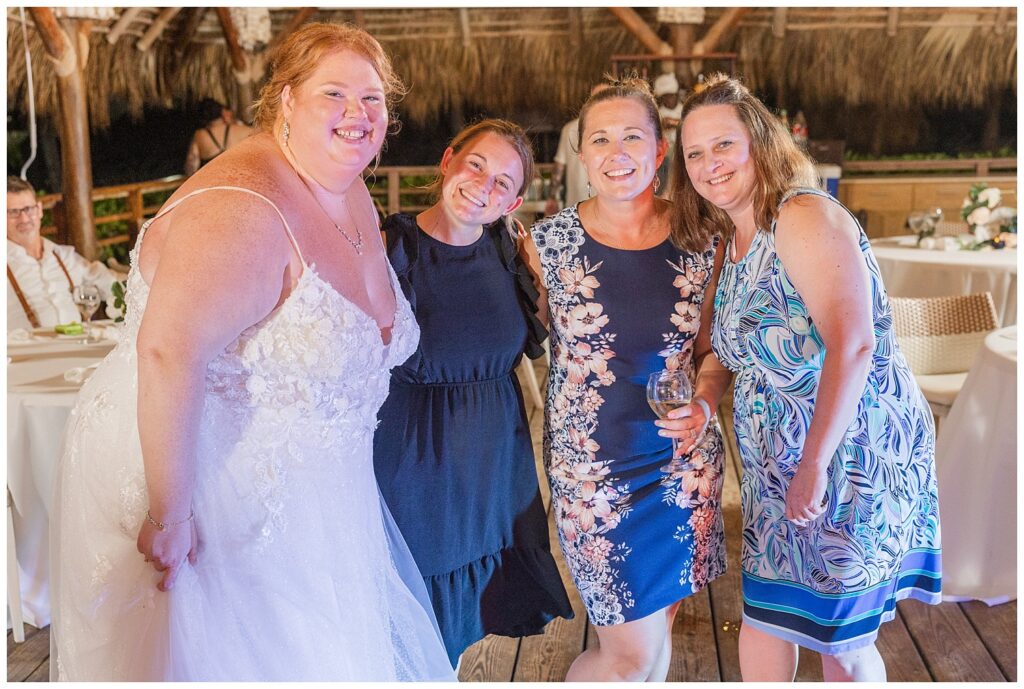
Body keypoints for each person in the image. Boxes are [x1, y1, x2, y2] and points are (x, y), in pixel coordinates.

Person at [51, 22, 455, 681]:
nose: (358, 115)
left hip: (325, 500)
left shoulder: (342, 183)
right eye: (335, 94)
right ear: (286, 100)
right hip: (228, 506)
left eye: (374, 98)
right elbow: (166, 352)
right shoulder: (239, 209)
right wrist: (170, 514)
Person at [670, 73, 941, 681]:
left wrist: (815, 462)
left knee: (838, 636)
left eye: (723, 145)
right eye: (694, 152)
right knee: (771, 615)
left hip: (847, 450)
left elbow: (854, 344)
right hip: (774, 462)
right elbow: (723, 354)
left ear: (759, 144)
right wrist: (706, 401)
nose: (709, 164)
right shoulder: (731, 240)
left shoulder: (801, 216)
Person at [524, 77, 726, 681]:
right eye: (600, 139)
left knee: (653, 640)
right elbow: (510, 334)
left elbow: (714, 351)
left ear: (660, 150)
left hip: (683, 466)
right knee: (630, 657)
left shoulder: (703, 239)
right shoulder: (547, 246)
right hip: (592, 471)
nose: (616, 152)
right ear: (581, 155)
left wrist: (707, 402)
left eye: (632, 136)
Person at [373, 118, 574, 669]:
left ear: (514, 201)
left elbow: (536, 337)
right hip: (414, 461)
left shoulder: (507, 251)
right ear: (447, 162)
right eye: (476, 165)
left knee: (464, 622)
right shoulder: (392, 247)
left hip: (492, 463)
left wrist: (541, 282)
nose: (485, 186)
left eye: (504, 182)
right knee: (411, 613)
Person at [7, 176, 122, 330]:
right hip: (25, 352)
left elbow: (109, 283)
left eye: (29, 209)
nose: (24, 218)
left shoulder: (64, 256)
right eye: (13, 212)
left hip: (77, 345)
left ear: (40, 210)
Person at [544, 83, 610, 216]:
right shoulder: (613, 129)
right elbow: (559, 167)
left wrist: (552, 197)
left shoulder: (570, 128)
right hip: (599, 205)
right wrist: (552, 198)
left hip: (580, 206)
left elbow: (559, 167)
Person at [183, 99, 254, 175]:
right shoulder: (242, 130)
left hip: (215, 182)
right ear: (221, 112)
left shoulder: (200, 135)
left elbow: (191, 167)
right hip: (240, 180)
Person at [653, 72, 682, 197]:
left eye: (670, 96)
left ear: (676, 95)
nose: (668, 100)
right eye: (665, 97)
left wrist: (674, 123)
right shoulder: (658, 113)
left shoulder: (685, 109)